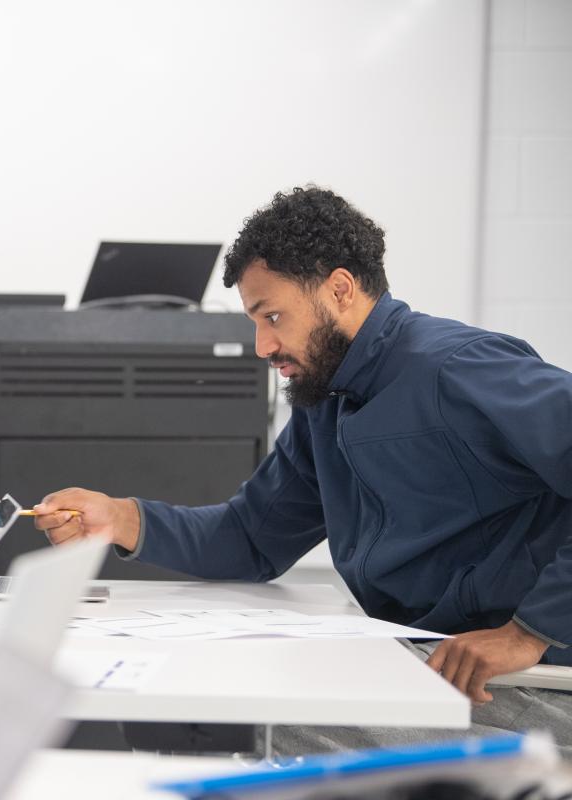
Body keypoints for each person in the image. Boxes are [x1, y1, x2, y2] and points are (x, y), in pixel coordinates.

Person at [35, 187, 572, 753]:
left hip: (532, 681)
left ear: (339, 289)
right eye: (255, 321)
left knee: (247, 727)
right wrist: (121, 518)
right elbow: (249, 539)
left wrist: (530, 631)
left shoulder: (457, 367)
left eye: (273, 317)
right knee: (199, 702)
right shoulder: (326, 401)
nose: (263, 345)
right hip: (427, 660)